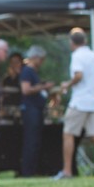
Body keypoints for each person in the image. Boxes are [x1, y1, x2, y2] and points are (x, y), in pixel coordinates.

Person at [56, 28, 94, 180]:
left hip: (80, 101)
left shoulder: (77, 55)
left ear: (71, 42)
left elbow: (78, 75)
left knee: (68, 134)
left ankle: (67, 171)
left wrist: (66, 85)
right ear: (85, 40)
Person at [18, 45, 56, 177]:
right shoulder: (27, 71)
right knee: (31, 141)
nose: (42, 62)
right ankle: (27, 172)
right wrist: (44, 87)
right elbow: (26, 89)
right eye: (41, 59)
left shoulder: (33, 72)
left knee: (36, 141)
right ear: (35, 58)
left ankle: (33, 170)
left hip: (37, 109)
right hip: (30, 110)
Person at [0, 51, 25, 120]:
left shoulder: (24, 78)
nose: (14, 65)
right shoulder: (6, 79)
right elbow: (1, 94)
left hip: (20, 110)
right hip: (6, 110)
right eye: (12, 62)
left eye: (17, 62)